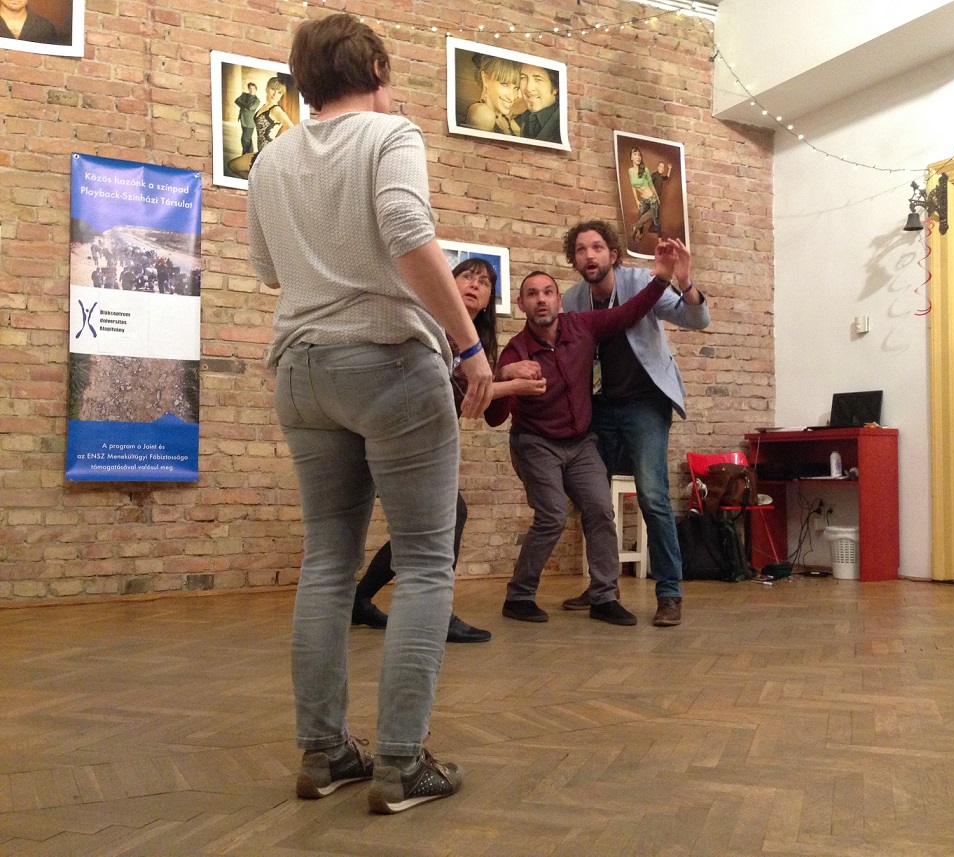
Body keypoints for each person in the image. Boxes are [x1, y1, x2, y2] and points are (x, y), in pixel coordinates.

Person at [246, 13, 493, 815]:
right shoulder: (391, 135)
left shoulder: (269, 159)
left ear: (304, 82)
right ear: (378, 70)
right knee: (424, 561)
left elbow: (266, 268)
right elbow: (408, 232)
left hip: (301, 370)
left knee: (326, 561)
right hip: (387, 362)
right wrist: (468, 346)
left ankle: (324, 753)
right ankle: (399, 764)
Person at [485, 240, 685, 626]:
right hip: (535, 444)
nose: (541, 300)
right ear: (521, 304)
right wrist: (506, 376)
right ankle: (519, 595)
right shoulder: (515, 352)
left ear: (560, 300)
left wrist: (661, 279)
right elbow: (494, 418)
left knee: (600, 510)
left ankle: (604, 596)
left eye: (547, 292)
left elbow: (629, 312)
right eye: (532, 294)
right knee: (553, 515)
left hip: (580, 444)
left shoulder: (582, 327)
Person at [352, 257, 546, 643]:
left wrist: (503, 375)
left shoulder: (474, 342)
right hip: (397, 435)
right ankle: (433, 613)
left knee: (428, 526)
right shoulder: (430, 323)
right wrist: (512, 385)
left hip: (419, 441)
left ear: (489, 300)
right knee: (447, 517)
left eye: (484, 282)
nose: (474, 285)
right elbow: (451, 392)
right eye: (466, 277)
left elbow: (483, 409)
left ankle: (359, 600)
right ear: (448, 283)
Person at [560, 221, 709, 627]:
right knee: (593, 499)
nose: (589, 255)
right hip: (599, 407)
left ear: (612, 254)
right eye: (580, 250)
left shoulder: (643, 281)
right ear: (574, 259)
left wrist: (684, 280)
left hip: (645, 404)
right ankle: (602, 586)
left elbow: (697, 319)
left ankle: (669, 592)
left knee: (653, 497)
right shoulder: (572, 299)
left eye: (596, 247)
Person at [229, 77, 294, 178]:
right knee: (233, 165)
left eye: (279, 92)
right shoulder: (264, 106)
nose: (275, 94)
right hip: (261, 153)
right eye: (273, 89)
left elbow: (294, 131)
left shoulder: (277, 110)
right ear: (267, 88)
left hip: (269, 155)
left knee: (233, 165)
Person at [464, 54, 521, 137]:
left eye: (516, 88)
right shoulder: (482, 113)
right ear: (485, 78)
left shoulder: (504, 116)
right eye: (504, 84)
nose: (512, 97)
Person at [516, 64, 560, 143]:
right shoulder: (522, 118)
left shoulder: (563, 124)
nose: (529, 88)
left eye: (538, 79)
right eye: (523, 78)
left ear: (555, 87)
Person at [627, 147, 660, 243]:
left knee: (652, 216)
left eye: (639, 155)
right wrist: (636, 200)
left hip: (652, 198)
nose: (638, 157)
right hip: (643, 200)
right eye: (635, 154)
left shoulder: (645, 170)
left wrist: (657, 197)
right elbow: (633, 186)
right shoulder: (630, 171)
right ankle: (640, 233)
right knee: (640, 216)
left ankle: (635, 227)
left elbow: (651, 185)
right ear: (631, 158)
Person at [235, 82, 261, 156]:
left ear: (256, 90)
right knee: (248, 139)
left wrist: (242, 104)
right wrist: (245, 105)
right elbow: (237, 101)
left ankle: (244, 153)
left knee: (244, 139)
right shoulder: (244, 95)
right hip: (242, 119)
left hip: (250, 122)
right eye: (250, 88)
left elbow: (251, 107)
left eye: (253, 89)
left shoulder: (257, 100)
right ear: (248, 89)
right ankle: (250, 154)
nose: (252, 90)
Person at [650, 161, 672, 233]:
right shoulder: (654, 175)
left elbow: (667, 177)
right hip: (653, 197)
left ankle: (652, 228)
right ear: (658, 167)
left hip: (658, 197)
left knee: (656, 213)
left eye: (663, 167)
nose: (662, 169)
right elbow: (649, 185)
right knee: (654, 213)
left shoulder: (661, 177)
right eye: (660, 167)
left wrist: (669, 169)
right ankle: (641, 226)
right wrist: (653, 196)